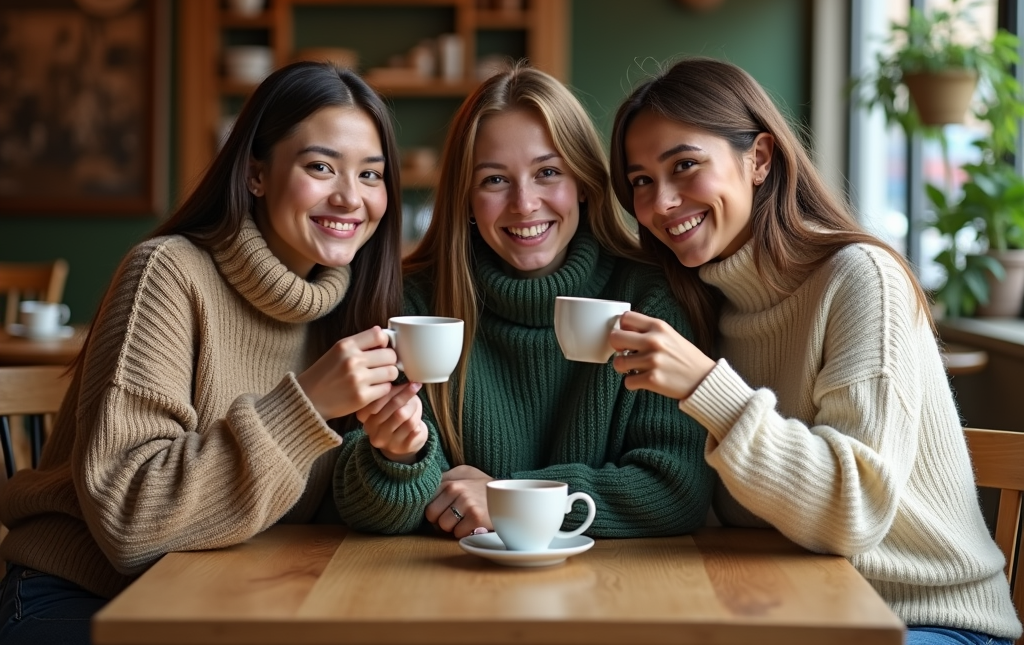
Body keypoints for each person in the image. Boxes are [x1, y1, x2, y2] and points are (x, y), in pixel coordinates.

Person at [605, 56, 1022, 645]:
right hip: (790, 608)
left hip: (927, 618)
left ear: (759, 159)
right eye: (641, 180)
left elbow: (856, 512)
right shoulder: (699, 301)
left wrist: (708, 390)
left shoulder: (861, 279)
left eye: (685, 166)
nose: (662, 202)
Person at [0, 62, 418, 645]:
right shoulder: (168, 274)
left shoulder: (351, 309)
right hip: (80, 596)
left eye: (371, 174)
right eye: (320, 167)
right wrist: (305, 407)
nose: (351, 197)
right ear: (256, 175)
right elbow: (129, 524)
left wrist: (395, 455)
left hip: (231, 591)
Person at [333, 63, 713, 539]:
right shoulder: (417, 304)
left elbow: (675, 491)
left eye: (548, 172)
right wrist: (399, 457)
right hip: (446, 589)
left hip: (612, 592)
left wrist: (506, 498)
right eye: (495, 180)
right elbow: (363, 508)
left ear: (583, 185)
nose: (525, 203)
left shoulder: (648, 297)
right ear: (466, 198)